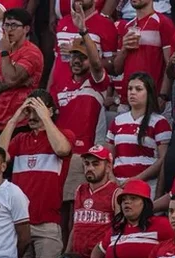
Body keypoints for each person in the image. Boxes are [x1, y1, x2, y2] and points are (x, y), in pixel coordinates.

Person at [0, 91, 74, 258]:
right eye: (29, 110)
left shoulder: (62, 134)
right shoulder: (20, 140)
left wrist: (45, 117)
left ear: (49, 110)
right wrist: (14, 118)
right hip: (20, 221)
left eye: (36, 109)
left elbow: (62, 149)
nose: (32, 115)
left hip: (47, 218)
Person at [49, 31, 110, 219]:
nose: (76, 60)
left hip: (82, 156)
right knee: (59, 209)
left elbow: (97, 65)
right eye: (74, 55)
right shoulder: (59, 85)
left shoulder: (96, 82)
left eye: (82, 57)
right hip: (58, 156)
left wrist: (83, 31)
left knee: (75, 208)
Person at [0, 8, 44, 141]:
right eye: (6, 25)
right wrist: (16, 84)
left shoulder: (31, 52)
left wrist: (5, 52)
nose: (9, 29)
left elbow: (11, 78)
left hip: (22, 121)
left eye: (14, 25)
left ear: (26, 29)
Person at [106, 73, 171, 193]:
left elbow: (163, 159)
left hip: (145, 186)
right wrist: (112, 178)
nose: (132, 92)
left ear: (149, 93)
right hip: (117, 185)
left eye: (138, 89)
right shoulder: (117, 121)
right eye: (130, 88)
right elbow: (108, 157)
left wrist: (137, 178)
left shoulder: (159, 122)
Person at [113, 0, 175, 105]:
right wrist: (124, 49)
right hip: (127, 99)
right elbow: (117, 69)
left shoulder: (163, 23)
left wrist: (162, 95)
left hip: (152, 98)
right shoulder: (126, 26)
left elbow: (170, 64)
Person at [68, 146, 120, 258]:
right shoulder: (80, 190)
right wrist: (67, 253)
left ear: (108, 167)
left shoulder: (116, 193)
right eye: (87, 163)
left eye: (96, 164)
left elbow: (119, 231)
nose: (90, 168)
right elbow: (76, 226)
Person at [50, 0, 116, 91]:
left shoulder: (106, 25)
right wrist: (49, 90)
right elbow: (56, 61)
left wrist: (79, 52)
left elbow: (112, 66)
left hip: (87, 92)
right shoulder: (63, 22)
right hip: (58, 91)